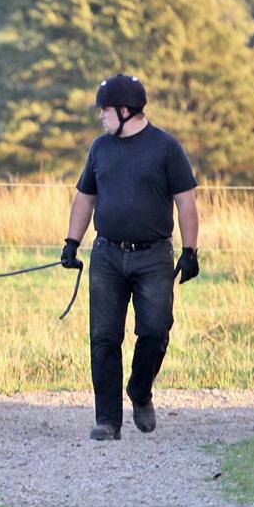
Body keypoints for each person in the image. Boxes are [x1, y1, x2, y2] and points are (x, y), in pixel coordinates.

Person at [61, 74, 199, 441]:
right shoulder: (99, 149)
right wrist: (72, 242)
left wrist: (189, 250)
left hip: (153, 257)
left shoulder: (166, 149)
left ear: (125, 111)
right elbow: (85, 198)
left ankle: (140, 391)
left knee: (155, 329)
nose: (101, 118)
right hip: (107, 254)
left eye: (104, 111)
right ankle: (107, 419)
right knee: (104, 337)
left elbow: (186, 200)